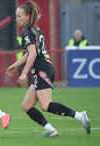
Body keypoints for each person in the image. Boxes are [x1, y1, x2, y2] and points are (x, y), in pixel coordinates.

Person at [6, 1, 90, 138]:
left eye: (19, 16)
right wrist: (16, 65)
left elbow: (33, 54)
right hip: (42, 70)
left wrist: (24, 74)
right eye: (16, 16)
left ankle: (80, 116)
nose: (17, 19)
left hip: (42, 71)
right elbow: (30, 53)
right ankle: (50, 129)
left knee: (45, 105)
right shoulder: (33, 28)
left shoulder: (27, 32)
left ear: (28, 16)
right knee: (26, 106)